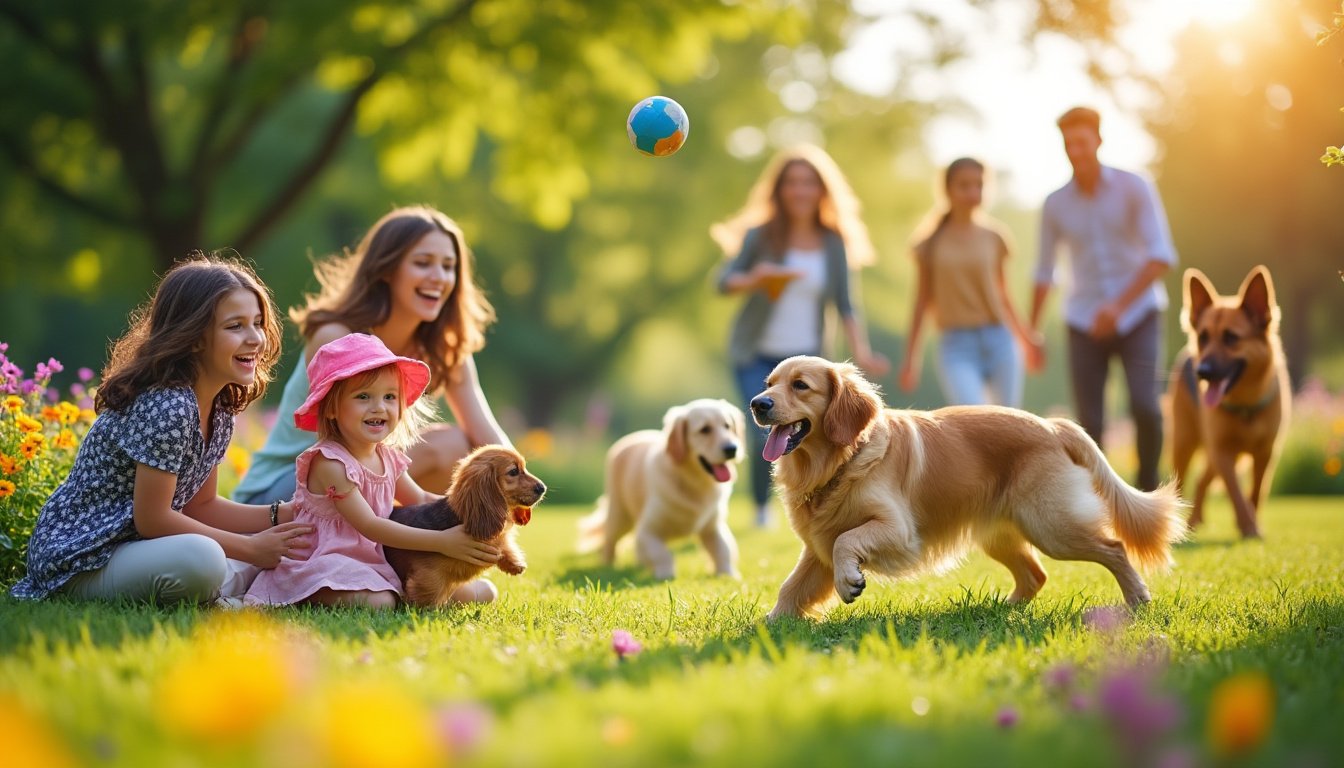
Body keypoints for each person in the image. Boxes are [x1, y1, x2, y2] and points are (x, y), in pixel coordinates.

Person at [10, 256, 314, 605]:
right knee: (205, 559)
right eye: (236, 326)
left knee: (267, 556)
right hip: (80, 560)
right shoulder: (168, 405)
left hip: (137, 550)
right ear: (195, 337)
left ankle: (231, 589)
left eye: (258, 323)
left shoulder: (219, 407)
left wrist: (283, 514)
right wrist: (250, 546)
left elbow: (202, 505)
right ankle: (223, 594)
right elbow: (152, 519)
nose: (255, 338)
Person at [233, 205, 510, 505]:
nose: (438, 277)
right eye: (423, 263)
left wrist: (520, 482)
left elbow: (488, 436)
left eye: (448, 266)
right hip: (281, 491)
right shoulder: (337, 336)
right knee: (443, 447)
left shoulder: (446, 348)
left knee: (462, 448)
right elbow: (343, 451)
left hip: (355, 486)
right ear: (387, 270)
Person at [246, 333, 501, 608]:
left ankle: (388, 588)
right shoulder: (330, 463)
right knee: (381, 603)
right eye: (363, 396)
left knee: (479, 592)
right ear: (331, 407)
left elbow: (421, 499)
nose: (379, 407)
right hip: (325, 559)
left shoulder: (387, 458)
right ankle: (304, 590)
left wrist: (470, 511)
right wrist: (441, 541)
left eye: (390, 396)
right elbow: (370, 526)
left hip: (375, 560)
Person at [712, 144, 890, 527]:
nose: (800, 191)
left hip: (807, 355)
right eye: (792, 183)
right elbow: (724, 282)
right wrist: (755, 277)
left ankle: (816, 503)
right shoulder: (762, 236)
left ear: (822, 190)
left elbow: (846, 303)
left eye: (808, 183)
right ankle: (762, 510)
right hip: (756, 354)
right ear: (779, 190)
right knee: (769, 427)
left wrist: (863, 352)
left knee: (807, 433)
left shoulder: (832, 242)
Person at [1030, 106, 1177, 491]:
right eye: (1068, 143)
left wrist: (1119, 307)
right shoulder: (1055, 203)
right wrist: (1032, 332)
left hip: (1139, 315)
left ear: (1099, 139)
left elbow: (1160, 256)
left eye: (1082, 141)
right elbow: (1044, 272)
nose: (1075, 150)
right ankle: (1100, 503)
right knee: (1089, 423)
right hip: (1083, 321)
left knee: (1145, 406)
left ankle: (1147, 493)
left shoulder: (1135, 187)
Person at [899, 157, 1043, 407]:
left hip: (1000, 340)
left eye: (979, 185)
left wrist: (1027, 339)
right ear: (948, 190)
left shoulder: (995, 237)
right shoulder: (930, 244)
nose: (973, 192)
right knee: (973, 420)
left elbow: (1003, 295)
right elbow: (921, 302)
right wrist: (912, 360)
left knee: (1007, 424)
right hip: (957, 346)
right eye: (964, 186)